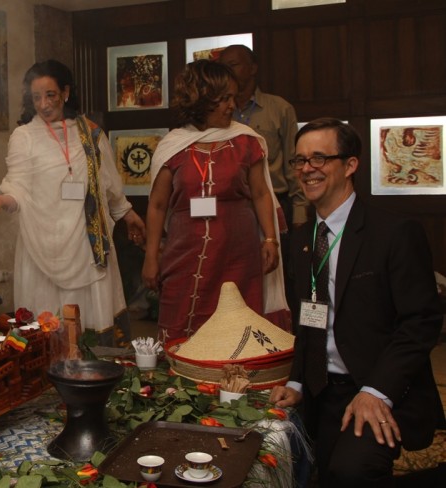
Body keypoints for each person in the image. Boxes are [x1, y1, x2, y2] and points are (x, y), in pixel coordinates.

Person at [270, 118, 444, 487]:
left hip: (381, 386)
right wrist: (298, 383)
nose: (307, 169)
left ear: (350, 165)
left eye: (319, 158)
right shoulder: (300, 241)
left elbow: (421, 322)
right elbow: (308, 320)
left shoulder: (394, 233)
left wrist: (376, 391)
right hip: (322, 392)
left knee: (350, 471)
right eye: (300, 161)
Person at [0, 59, 145, 346]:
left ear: (66, 92)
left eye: (50, 95)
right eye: (36, 97)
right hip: (42, 245)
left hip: (86, 241)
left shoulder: (90, 132)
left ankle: (94, 371)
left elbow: (109, 184)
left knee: (89, 320)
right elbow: (17, 185)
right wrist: (1, 199)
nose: (43, 105)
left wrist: (128, 214)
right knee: (47, 324)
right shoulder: (24, 136)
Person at [142, 59, 288, 341]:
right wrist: (151, 257)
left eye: (233, 97)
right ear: (200, 99)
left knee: (238, 329)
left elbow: (260, 193)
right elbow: (158, 205)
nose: (232, 105)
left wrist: (270, 239)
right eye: (223, 99)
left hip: (238, 255)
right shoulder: (173, 145)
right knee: (181, 323)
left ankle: (237, 383)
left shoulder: (247, 140)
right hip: (184, 253)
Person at [219, 45, 305, 324]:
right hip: (234, 208)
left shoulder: (279, 108)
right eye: (224, 65)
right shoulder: (219, 112)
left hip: (275, 203)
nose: (228, 71)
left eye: (234, 64)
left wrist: (301, 212)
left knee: (280, 274)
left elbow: (295, 161)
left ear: (253, 68)